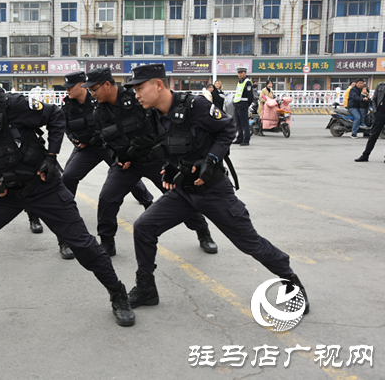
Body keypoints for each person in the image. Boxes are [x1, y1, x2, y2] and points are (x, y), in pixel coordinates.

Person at [0, 62, 135, 330]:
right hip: (5, 192)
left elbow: (55, 117)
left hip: (43, 188)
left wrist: (51, 156)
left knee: (84, 246)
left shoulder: (11, 104)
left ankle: (118, 294)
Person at [124, 63, 310, 315]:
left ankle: (292, 283)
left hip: (214, 191)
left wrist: (210, 160)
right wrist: (169, 167)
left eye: (139, 88)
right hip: (183, 192)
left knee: (250, 243)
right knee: (144, 227)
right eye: (134, 89)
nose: (136, 94)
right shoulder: (153, 114)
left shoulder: (195, 105)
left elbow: (227, 128)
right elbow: (171, 145)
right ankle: (146, 288)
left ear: (158, 85)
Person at [83, 67, 216, 256]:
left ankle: (203, 232)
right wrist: (117, 158)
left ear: (107, 84)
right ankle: (107, 241)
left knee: (180, 197)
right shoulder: (99, 113)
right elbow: (105, 141)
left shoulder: (136, 99)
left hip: (156, 160)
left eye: (94, 89)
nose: (92, 94)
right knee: (107, 198)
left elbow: (162, 123)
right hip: (128, 164)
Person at [60, 70, 154, 259]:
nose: (68, 90)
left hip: (127, 149)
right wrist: (76, 141)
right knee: (72, 179)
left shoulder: (117, 100)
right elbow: (69, 128)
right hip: (93, 150)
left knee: (134, 175)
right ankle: (96, 235)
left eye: (71, 86)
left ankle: (148, 201)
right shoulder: (73, 106)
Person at [355, 82, 385, 162]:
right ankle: (365, 155)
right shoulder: (380, 85)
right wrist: (375, 111)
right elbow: (374, 99)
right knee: (373, 135)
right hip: (380, 113)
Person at [232, 67, 253, 146]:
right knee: (238, 123)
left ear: (245, 73)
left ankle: (246, 139)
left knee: (244, 123)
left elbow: (250, 96)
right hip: (237, 104)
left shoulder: (248, 82)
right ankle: (239, 138)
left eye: (241, 72)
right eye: (239, 73)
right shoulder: (239, 82)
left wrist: (247, 104)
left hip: (243, 104)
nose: (240, 74)